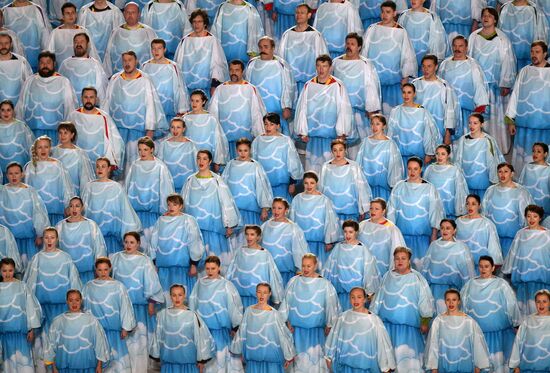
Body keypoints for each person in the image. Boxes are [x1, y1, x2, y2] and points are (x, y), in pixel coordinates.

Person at [370, 247, 435, 372]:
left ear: (409, 260)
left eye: (403, 258)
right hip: (387, 328)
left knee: (408, 364)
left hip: (409, 330)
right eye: (397, 259)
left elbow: (424, 301)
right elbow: (379, 298)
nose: (400, 261)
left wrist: (425, 321)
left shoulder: (416, 278)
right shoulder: (387, 276)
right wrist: (373, 318)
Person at [24, 227, 82, 362]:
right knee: (43, 340)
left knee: (63, 338)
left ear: (57, 239)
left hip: (62, 307)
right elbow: (29, 285)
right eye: (46, 237)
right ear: (43, 239)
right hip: (42, 309)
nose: (49, 240)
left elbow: (74, 282)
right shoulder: (36, 258)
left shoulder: (65, 258)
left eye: (52, 237)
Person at [110, 231, 165, 373]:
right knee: (123, 341)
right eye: (126, 242)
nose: (128, 245)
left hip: (139, 308)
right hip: (120, 308)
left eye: (132, 242)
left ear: (139, 244)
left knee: (139, 342)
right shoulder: (115, 258)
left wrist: (151, 304)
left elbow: (151, 283)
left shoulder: (144, 260)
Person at [103, 50, 167, 172]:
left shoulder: (144, 80)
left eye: (130, 60)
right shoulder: (115, 79)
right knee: (118, 165)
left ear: (136, 61)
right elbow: (107, 103)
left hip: (138, 132)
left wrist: (150, 131)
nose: (127, 63)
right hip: (117, 132)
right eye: (124, 61)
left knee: (135, 166)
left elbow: (150, 106)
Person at [279, 254, 340, 372]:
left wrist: (330, 324)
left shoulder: (324, 284)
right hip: (297, 332)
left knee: (315, 363)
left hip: (316, 333)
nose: (305, 269)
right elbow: (286, 303)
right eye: (303, 266)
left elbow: (331, 305)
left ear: (315, 266)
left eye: (309, 266)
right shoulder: (293, 282)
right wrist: (286, 321)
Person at [181, 150, 240, 270]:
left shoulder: (217, 181)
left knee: (215, 262)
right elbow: (184, 203)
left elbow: (226, 202)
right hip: (195, 231)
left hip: (214, 230)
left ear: (210, 161)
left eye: (204, 159)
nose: (201, 161)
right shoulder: (190, 180)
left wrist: (229, 225)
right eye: (199, 158)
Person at [461, 255, 521, 373]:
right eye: (481, 266)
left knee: (499, 366)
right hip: (477, 334)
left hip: (500, 334)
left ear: (493, 268)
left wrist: (516, 324)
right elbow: (463, 306)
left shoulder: (501, 284)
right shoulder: (470, 284)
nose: (483, 269)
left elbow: (511, 305)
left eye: (486, 266)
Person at [293, 55, 353, 174]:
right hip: (313, 136)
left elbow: (344, 108)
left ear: (330, 67)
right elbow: (302, 108)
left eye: (324, 66)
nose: (321, 69)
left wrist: (342, 131)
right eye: (319, 66)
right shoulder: (309, 85)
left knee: (331, 168)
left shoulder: (337, 85)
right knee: (312, 167)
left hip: (331, 136)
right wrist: (302, 130)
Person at [468, 7, 516, 154]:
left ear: (495, 19)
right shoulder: (474, 37)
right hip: (478, 84)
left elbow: (508, 61)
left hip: (494, 86)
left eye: (489, 16)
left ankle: (496, 148)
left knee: (495, 120)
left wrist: (505, 83)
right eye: (483, 16)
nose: (486, 18)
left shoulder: (502, 39)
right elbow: (468, 58)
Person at [188, 255, 244, 373]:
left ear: (219, 268)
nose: (210, 271)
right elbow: (193, 302)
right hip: (203, 331)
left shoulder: (226, 285)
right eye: (207, 268)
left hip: (220, 331)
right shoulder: (200, 283)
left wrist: (236, 326)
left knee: (219, 360)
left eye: (213, 268)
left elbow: (233, 306)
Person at [387, 157, 445, 269]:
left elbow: (435, 211)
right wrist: (391, 232)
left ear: (421, 169)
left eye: (415, 169)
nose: (412, 172)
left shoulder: (429, 188)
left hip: (422, 238)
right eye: (409, 169)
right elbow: (391, 210)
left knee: (422, 268)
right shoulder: (399, 187)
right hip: (401, 237)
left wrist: (434, 233)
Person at [361, 0, 417, 115]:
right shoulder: (372, 29)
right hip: (374, 82)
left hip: (393, 83)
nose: (384, 15)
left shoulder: (401, 32)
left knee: (392, 114)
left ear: (394, 13)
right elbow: (364, 53)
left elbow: (407, 55)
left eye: (388, 12)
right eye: (382, 12)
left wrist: (405, 77)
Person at [83, 257, 137, 373]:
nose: (103, 273)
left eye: (105, 270)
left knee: (118, 362)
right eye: (100, 270)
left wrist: (125, 327)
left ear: (110, 269)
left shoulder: (118, 286)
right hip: (96, 333)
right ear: (95, 270)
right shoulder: (88, 286)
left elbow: (125, 307)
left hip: (114, 331)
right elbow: (85, 308)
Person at [325, 286, 396, 372]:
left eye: (359, 297)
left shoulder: (374, 320)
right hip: (346, 367)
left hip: (366, 368)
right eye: (352, 297)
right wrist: (329, 356)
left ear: (365, 299)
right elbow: (333, 337)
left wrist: (385, 366)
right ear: (349, 299)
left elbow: (381, 343)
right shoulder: (343, 317)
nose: (356, 300)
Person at [230, 283, 296, 372]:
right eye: (259, 292)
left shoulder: (274, 314)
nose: (261, 295)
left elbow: (282, 335)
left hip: (272, 361)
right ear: (256, 293)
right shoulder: (249, 311)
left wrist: (288, 355)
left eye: (265, 292)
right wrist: (238, 349)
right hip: (253, 359)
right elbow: (242, 332)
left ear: (269, 294)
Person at [505, 40, 550, 174]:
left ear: (545, 53)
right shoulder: (524, 71)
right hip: (525, 125)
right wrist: (510, 120)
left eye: (537, 52)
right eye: (532, 52)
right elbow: (515, 96)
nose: (533, 55)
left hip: (546, 126)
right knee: (523, 157)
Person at [81, 157, 141, 255]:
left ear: (109, 169)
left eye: (103, 167)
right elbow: (83, 211)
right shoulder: (89, 187)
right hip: (93, 239)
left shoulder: (116, 187)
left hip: (112, 239)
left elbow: (124, 210)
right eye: (98, 167)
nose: (100, 169)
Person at [208, 59, 266, 159]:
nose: (233, 73)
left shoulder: (250, 88)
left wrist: (259, 133)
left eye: (237, 70)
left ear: (242, 71)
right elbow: (213, 111)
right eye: (231, 70)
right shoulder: (220, 89)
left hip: (245, 136)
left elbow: (256, 112)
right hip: (225, 136)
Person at [151, 284, 215, 372]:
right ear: (170, 297)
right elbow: (157, 335)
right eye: (174, 295)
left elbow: (200, 337)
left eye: (180, 295)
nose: (177, 298)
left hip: (188, 364)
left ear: (184, 296)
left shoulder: (192, 315)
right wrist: (156, 353)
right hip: (169, 364)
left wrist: (202, 360)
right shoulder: (163, 315)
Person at [15, 51, 77, 143]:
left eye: (48, 63)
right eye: (42, 63)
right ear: (38, 64)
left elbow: (69, 107)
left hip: (57, 134)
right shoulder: (30, 81)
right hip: (32, 132)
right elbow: (21, 106)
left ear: (54, 64)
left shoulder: (64, 82)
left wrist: (68, 131)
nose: (45, 65)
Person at [424, 289, 491, 372]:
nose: (451, 303)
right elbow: (433, 345)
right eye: (448, 300)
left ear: (459, 302)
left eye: (454, 300)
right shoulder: (438, 321)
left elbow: (477, 344)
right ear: (445, 302)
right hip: (443, 367)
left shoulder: (468, 321)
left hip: (465, 366)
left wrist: (478, 366)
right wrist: (434, 367)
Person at [150, 194, 204, 296]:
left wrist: (194, 264)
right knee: (167, 297)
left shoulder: (188, 220)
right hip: (164, 268)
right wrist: (154, 262)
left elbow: (194, 241)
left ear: (181, 206)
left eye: (175, 205)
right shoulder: (161, 220)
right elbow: (153, 242)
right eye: (169, 205)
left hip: (183, 268)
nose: (171, 207)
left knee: (183, 297)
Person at [44, 289, 109, 373]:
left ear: (81, 301)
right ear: (67, 301)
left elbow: (99, 343)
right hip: (65, 368)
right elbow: (51, 346)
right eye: (71, 300)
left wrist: (99, 365)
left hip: (87, 367)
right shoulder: (58, 321)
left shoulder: (91, 320)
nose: (74, 303)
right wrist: (54, 367)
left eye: (77, 300)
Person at [126, 136, 174, 249]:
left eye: (145, 149)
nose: (142, 152)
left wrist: (166, 210)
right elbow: (127, 187)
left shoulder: (160, 167)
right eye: (140, 149)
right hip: (136, 214)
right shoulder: (135, 165)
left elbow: (166, 189)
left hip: (154, 215)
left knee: (153, 245)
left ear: (152, 149)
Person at [332, 32, 382, 142]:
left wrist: (371, 108)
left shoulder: (365, 64)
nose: (349, 46)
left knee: (361, 142)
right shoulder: (336, 62)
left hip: (359, 110)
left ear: (359, 47)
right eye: (347, 43)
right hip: (340, 109)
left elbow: (371, 87)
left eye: (352, 44)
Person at [503, 204, 550, 316]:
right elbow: (513, 253)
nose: (531, 219)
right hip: (524, 281)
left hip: (543, 280)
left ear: (540, 218)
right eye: (529, 216)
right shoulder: (520, 234)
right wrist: (508, 270)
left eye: (535, 216)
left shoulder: (548, 235)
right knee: (525, 312)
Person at [323, 220, 380, 310]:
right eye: (345, 232)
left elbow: (369, 270)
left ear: (356, 232)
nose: (347, 235)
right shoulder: (338, 247)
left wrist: (369, 291)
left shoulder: (363, 249)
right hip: (341, 294)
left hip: (357, 296)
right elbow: (329, 267)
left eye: (350, 232)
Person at [0, 162, 49, 268]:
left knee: (30, 267)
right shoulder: (2, 191)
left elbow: (38, 212)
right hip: (8, 239)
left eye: (16, 173)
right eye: (10, 173)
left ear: (22, 174)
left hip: (29, 238)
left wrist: (40, 234)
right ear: (6, 175)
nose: (13, 176)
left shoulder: (30, 191)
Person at [289, 171, 341, 270]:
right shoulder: (297, 199)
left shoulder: (324, 200)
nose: (309, 186)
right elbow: (292, 220)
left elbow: (330, 220)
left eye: (312, 183)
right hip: (301, 243)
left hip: (319, 244)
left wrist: (329, 241)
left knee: (319, 269)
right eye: (306, 183)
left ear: (317, 183)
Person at [245, 36, 296, 136]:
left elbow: (288, 86)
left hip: (277, 108)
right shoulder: (252, 63)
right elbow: (247, 86)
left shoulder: (282, 64)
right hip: (257, 108)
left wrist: (287, 107)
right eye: (260, 47)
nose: (262, 50)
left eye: (266, 47)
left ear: (273, 48)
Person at [421, 219, 475, 313]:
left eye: (448, 228)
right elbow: (425, 267)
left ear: (454, 230)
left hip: (454, 290)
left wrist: (467, 291)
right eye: (442, 228)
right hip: (435, 290)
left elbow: (467, 271)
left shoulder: (462, 247)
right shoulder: (434, 245)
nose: (444, 231)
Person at [66, 87, 124, 170]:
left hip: (99, 161)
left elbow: (113, 141)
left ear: (96, 99)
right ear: (81, 98)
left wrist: (110, 162)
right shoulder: (73, 116)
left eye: (91, 97)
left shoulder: (104, 117)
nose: (88, 100)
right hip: (77, 160)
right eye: (86, 97)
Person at [438, 35, 489, 131]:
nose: (457, 49)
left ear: (466, 47)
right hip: (449, 110)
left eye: (460, 46)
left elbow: (479, 85)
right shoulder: (444, 64)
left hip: (467, 110)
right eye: (455, 46)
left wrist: (480, 106)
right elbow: (440, 85)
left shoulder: (473, 64)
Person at [483, 162, 534, 257]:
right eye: (500, 171)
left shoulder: (521, 192)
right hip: (493, 239)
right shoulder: (490, 190)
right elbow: (484, 214)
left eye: (506, 171)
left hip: (513, 238)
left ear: (512, 173)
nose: (502, 174)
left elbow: (528, 216)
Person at [0, 257, 42, 373]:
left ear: (14, 270)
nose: (7, 273)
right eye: (4, 270)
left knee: (25, 366)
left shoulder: (22, 286)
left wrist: (31, 329)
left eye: (10, 270)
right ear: (0, 271)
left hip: (21, 334)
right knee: (8, 366)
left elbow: (30, 307)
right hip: (4, 336)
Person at [173, 9, 228, 97]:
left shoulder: (212, 40)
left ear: (205, 23)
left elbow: (217, 63)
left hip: (207, 88)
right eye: (194, 21)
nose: (196, 24)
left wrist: (214, 84)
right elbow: (178, 63)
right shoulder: (185, 41)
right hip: (186, 88)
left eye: (199, 21)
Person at [226, 225, 284, 307]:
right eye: (247, 234)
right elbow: (231, 271)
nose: (249, 237)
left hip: (256, 297)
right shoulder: (239, 251)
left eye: (252, 234)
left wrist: (276, 296)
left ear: (258, 237)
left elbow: (272, 275)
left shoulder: (264, 254)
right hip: (239, 295)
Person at [277, 3, 329, 94]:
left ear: (309, 15)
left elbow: (323, 58)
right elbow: (280, 58)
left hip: (310, 80)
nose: (299, 15)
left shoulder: (315, 35)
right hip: (290, 81)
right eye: (297, 12)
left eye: (302, 13)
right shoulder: (287, 35)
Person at [252, 112, 303, 201]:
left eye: (271, 124)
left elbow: (293, 162)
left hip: (281, 185)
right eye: (266, 124)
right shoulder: (257, 141)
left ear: (278, 126)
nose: (268, 127)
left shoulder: (285, 141)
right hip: (262, 185)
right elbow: (253, 161)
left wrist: (292, 183)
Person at [387, 83, 441, 167]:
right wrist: (389, 152)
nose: (406, 95)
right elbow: (390, 133)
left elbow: (428, 133)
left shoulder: (422, 111)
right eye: (404, 92)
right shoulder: (395, 111)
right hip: (399, 157)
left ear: (414, 94)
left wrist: (429, 153)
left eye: (409, 92)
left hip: (418, 158)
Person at [222, 137, 273, 226]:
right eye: (240, 150)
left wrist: (265, 208)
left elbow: (262, 187)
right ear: (236, 150)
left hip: (251, 210)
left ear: (250, 150)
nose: (242, 153)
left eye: (245, 150)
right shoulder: (230, 164)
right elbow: (223, 185)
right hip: (234, 209)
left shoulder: (255, 166)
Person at [24, 136, 74, 225]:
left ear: (50, 149)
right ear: (35, 149)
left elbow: (66, 186)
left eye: (46, 147)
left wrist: (68, 205)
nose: (43, 150)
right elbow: (26, 190)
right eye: (40, 147)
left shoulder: (58, 165)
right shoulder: (30, 167)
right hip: (38, 213)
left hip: (55, 210)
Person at [454, 114, 505, 201]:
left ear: (482, 124)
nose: (471, 126)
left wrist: (494, 180)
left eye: (475, 123)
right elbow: (458, 159)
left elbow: (492, 161)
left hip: (483, 180)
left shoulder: (488, 140)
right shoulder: (463, 139)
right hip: (466, 179)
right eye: (470, 123)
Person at [56, 196, 107, 283]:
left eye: (77, 206)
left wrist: (99, 268)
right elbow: (56, 249)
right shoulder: (60, 226)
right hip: (67, 274)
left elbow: (99, 247)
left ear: (82, 208)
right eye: (71, 206)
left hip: (88, 273)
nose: (74, 209)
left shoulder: (91, 225)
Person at [319, 139, 372, 223]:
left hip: (350, 208)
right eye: (335, 150)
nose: (338, 153)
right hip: (331, 210)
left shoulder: (353, 166)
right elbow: (320, 188)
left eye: (341, 150)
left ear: (345, 150)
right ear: (331, 151)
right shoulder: (326, 167)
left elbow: (361, 187)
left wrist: (363, 208)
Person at [412, 54, 461, 144]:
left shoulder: (444, 86)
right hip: (418, 130)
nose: (426, 69)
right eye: (423, 66)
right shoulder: (414, 84)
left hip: (438, 129)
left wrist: (447, 134)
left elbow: (450, 110)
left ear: (436, 67)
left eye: (429, 66)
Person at [260, 198, 309, 285]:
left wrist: (300, 269)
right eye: (274, 208)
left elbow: (299, 249)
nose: (276, 211)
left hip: (285, 272)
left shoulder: (293, 228)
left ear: (286, 210)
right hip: (267, 272)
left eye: (279, 208)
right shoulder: (265, 226)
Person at [356, 114, 402, 200]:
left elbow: (394, 165)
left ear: (384, 126)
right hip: (367, 188)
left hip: (385, 187)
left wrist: (394, 185)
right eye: (372, 124)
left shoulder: (390, 144)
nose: (374, 127)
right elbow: (359, 162)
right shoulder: (366, 142)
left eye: (378, 124)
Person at [103, 2, 157, 76]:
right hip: (120, 77)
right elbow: (108, 55)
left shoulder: (148, 32)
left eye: (133, 12)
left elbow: (155, 54)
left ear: (139, 14)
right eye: (128, 12)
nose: (130, 15)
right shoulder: (115, 32)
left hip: (142, 78)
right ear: (124, 14)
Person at [142, 39, 189, 122]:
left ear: (164, 50)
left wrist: (182, 109)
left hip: (169, 109)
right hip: (152, 109)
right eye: (154, 48)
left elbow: (180, 88)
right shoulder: (145, 66)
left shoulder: (173, 66)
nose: (156, 51)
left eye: (159, 48)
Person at [358, 198, 405, 277]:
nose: (373, 211)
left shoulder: (391, 228)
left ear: (383, 211)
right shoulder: (362, 225)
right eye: (371, 208)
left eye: (376, 209)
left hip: (383, 267)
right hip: (364, 267)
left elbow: (397, 250)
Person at [456, 194, 504, 272]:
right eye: (467, 203)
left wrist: (493, 263)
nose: (470, 206)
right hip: (461, 265)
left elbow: (493, 245)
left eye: (473, 204)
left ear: (479, 206)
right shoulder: (458, 222)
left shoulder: (487, 224)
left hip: (480, 267)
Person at [58, 33, 108, 107]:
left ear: (87, 45)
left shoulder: (95, 64)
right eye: (76, 42)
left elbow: (101, 91)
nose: (78, 44)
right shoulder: (65, 64)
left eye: (82, 41)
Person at [182, 90, 229, 169]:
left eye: (197, 101)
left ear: (203, 102)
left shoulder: (211, 119)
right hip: (189, 157)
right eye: (192, 101)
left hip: (206, 156)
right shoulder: (185, 118)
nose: (194, 103)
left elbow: (217, 140)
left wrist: (217, 161)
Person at [398, 0, 447, 74]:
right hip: (407, 62)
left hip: (426, 63)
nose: (413, 1)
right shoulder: (404, 15)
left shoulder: (432, 17)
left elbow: (437, 42)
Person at [1, 0, 51, 71]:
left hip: (34, 55)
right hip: (12, 59)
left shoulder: (37, 9)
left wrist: (46, 53)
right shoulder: (4, 11)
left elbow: (45, 34)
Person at [46, 3, 100, 68]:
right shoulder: (55, 33)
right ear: (63, 16)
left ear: (76, 15)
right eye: (67, 13)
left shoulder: (84, 31)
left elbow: (92, 52)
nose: (70, 15)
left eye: (73, 13)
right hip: (61, 71)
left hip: (81, 70)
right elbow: (48, 54)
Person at [498, 0, 549, 69]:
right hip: (507, 64)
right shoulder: (504, 9)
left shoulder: (536, 11)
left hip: (531, 64)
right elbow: (498, 37)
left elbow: (543, 39)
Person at [508, 289, 550, 373]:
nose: (541, 304)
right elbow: (517, 343)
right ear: (535, 303)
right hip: (528, 369)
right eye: (538, 301)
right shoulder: (527, 321)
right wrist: (515, 366)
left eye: (544, 301)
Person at [424, 144, 469, 219]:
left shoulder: (455, 170)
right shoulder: (429, 169)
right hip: (433, 212)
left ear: (448, 155)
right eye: (437, 154)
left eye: (443, 154)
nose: (439, 156)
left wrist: (460, 210)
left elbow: (460, 191)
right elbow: (425, 189)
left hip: (449, 212)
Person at [52, 121, 95, 195]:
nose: (62, 135)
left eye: (65, 133)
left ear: (72, 135)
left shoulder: (80, 153)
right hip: (57, 191)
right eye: (60, 133)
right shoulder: (52, 151)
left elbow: (85, 177)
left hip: (74, 192)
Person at [156, 117, 198, 191]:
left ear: (183, 129)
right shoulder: (164, 144)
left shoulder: (191, 145)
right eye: (173, 127)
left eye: (178, 127)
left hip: (187, 185)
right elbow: (159, 165)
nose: (175, 130)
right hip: (168, 184)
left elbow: (196, 165)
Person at [0, 100, 34, 181]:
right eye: (3, 110)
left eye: (8, 110)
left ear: (13, 111)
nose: (6, 113)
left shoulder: (22, 126)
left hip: (19, 166)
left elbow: (31, 145)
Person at [0, 34, 32, 106]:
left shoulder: (21, 61)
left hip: (17, 105)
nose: (3, 46)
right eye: (0, 43)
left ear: (11, 44)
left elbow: (28, 82)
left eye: (6, 43)